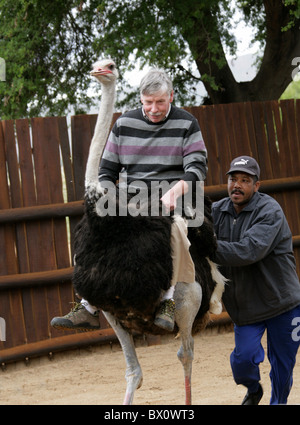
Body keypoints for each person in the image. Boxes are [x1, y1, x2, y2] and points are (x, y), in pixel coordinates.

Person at [51, 68, 207, 332]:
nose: (154, 109)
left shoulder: (187, 123)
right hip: (131, 196)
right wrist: (109, 198)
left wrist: (174, 192)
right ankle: (88, 304)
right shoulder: (124, 124)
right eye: (149, 102)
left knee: (176, 227)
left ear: (171, 96)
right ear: (141, 99)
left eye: (160, 102)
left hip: (172, 194)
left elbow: (197, 169)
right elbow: (106, 172)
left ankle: (168, 299)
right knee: (89, 229)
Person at [212, 155, 300, 405]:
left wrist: (204, 245)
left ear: (257, 185)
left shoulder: (269, 210)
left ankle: (278, 402)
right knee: (243, 361)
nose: (237, 185)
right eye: (233, 179)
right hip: (246, 306)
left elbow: (248, 250)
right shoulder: (217, 210)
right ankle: (253, 388)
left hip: (282, 303)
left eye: (245, 180)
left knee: (282, 366)